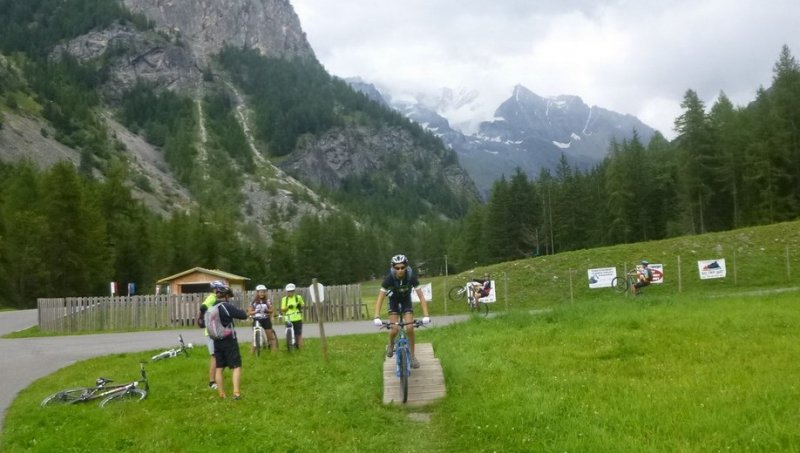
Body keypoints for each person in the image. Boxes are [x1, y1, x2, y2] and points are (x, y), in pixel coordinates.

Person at [372, 254, 431, 369]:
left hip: (406, 301)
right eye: (397, 268)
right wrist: (377, 316)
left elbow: (421, 297)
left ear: (406, 267)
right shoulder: (389, 279)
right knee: (394, 329)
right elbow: (380, 298)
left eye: (402, 267)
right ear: (393, 268)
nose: (400, 270)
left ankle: (413, 357)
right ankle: (391, 343)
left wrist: (426, 315)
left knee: (410, 328)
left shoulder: (411, 277)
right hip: (393, 301)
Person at [206, 285, 248, 399]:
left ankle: (221, 394)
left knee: (219, 368)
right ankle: (236, 393)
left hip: (216, 341)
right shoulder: (226, 306)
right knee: (236, 366)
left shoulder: (211, 307)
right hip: (229, 340)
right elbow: (243, 316)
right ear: (226, 295)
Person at [199, 280, 227, 390]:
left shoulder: (217, 299)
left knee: (220, 356)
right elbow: (202, 307)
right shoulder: (212, 297)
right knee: (215, 356)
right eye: (221, 290)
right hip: (211, 332)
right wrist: (200, 318)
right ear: (216, 290)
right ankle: (212, 382)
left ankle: (217, 377)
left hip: (216, 331)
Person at [248, 284, 277, 352]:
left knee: (270, 337)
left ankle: (274, 353)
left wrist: (267, 311)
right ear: (257, 293)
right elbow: (250, 312)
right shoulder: (253, 301)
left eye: (263, 292)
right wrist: (255, 311)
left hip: (266, 319)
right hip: (257, 320)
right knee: (255, 338)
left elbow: (272, 310)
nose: (262, 293)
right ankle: (252, 353)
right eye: (260, 292)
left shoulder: (268, 301)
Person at [280, 283, 305, 349]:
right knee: (288, 334)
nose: (290, 293)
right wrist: (288, 307)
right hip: (288, 319)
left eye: (291, 291)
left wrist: (299, 305)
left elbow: (302, 305)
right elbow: (283, 309)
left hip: (297, 318)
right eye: (288, 291)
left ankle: (299, 347)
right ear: (286, 292)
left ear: (294, 291)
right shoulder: (284, 299)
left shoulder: (298, 297)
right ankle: (289, 345)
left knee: (298, 334)